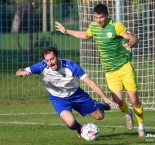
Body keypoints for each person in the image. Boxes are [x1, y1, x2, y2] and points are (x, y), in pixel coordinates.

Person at [55, 4, 146, 138]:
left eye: (101, 17)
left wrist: (130, 44)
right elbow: (85, 35)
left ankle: (141, 128)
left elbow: (133, 38)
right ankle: (128, 113)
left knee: (134, 99)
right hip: (109, 71)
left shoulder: (116, 26)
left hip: (125, 66)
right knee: (119, 103)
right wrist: (66, 31)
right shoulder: (93, 27)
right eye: (96, 17)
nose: (99, 20)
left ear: (107, 16)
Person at [16, 47, 118, 138]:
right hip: (58, 98)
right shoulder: (41, 67)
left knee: (100, 117)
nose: (50, 63)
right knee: (70, 123)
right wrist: (22, 72)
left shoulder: (70, 66)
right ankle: (80, 129)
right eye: (47, 60)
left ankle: (98, 104)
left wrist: (104, 97)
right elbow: (19, 71)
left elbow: (89, 82)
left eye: (52, 59)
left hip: (77, 94)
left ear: (58, 57)